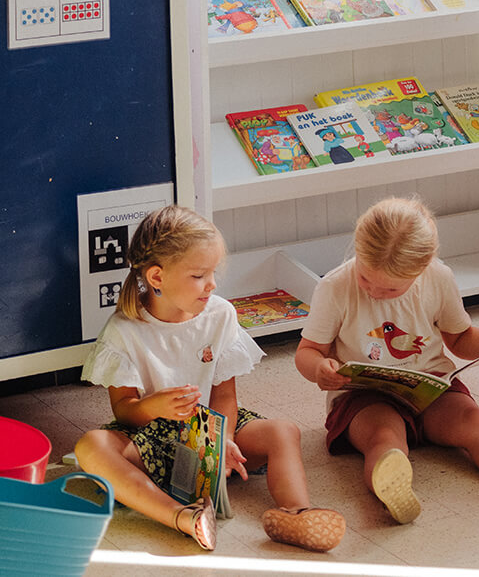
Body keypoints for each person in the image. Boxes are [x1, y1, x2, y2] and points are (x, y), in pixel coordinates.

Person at [294, 197, 479, 524]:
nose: (374, 292)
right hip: (363, 395)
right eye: (366, 279)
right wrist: (319, 370)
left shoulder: (437, 278)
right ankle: (391, 491)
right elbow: (307, 351)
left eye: (391, 288)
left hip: (431, 386)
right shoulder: (335, 287)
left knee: (475, 425)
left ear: (422, 268)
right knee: (384, 439)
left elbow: (458, 338)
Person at [76, 205, 345, 553]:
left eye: (214, 272)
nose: (213, 284)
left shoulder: (220, 314)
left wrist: (224, 442)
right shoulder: (124, 330)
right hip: (150, 434)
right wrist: (154, 407)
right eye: (199, 275)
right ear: (157, 277)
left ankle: (295, 511)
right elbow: (125, 411)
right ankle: (182, 517)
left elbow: (225, 396)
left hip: (213, 427)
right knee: (91, 447)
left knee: (283, 431)